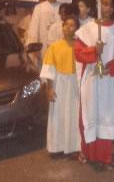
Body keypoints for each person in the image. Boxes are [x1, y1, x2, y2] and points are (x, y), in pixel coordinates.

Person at [74, 0, 114, 169]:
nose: (108, 7)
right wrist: (94, 50)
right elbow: (77, 52)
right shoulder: (88, 29)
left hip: (110, 80)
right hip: (92, 78)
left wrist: (110, 67)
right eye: (104, 4)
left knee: (107, 115)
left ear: (113, 8)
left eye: (111, 4)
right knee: (89, 114)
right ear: (98, 7)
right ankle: (86, 151)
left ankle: (105, 157)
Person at [40, 16, 81, 156]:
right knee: (58, 114)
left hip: (75, 84)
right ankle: (57, 146)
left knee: (74, 114)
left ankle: (74, 146)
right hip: (59, 84)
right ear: (62, 27)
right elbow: (49, 69)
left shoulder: (80, 46)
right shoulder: (54, 46)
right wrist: (49, 88)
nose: (68, 27)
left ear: (77, 29)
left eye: (72, 25)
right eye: (66, 25)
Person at [26, 0, 61, 64]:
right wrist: (34, 44)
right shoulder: (39, 7)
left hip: (58, 41)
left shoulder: (61, 7)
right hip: (43, 40)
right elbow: (34, 27)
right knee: (43, 63)